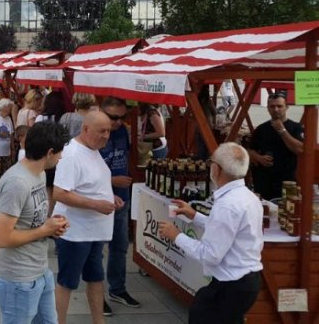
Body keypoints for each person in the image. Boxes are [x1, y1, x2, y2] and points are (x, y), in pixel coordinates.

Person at [158, 143, 263, 324]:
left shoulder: (228, 204)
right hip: (244, 281)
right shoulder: (247, 196)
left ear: (217, 169)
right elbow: (227, 231)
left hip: (232, 284)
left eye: (210, 162)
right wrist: (195, 215)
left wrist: (176, 236)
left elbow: (210, 254)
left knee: (202, 311)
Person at [0, 122, 71, 324]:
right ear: (50, 152)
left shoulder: (39, 174)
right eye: (60, 153)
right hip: (19, 279)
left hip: (40, 271)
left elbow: (30, 221)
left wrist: (50, 227)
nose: (61, 158)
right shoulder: (17, 183)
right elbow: (2, 238)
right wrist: (44, 229)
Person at [52, 111, 124, 324]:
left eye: (109, 132)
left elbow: (90, 185)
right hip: (75, 232)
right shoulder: (72, 155)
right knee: (67, 282)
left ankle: (98, 321)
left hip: (94, 231)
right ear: (85, 129)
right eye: (101, 131)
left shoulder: (92, 150)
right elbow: (60, 193)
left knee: (95, 278)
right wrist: (97, 204)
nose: (106, 136)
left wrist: (111, 197)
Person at [99, 97, 140, 315]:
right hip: (98, 202)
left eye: (122, 117)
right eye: (114, 117)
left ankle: (117, 288)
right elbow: (86, 173)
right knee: (97, 250)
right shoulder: (94, 135)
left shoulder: (124, 130)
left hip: (122, 199)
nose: (118, 122)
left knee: (120, 246)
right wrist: (111, 181)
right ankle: (97, 295)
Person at [248, 92, 304, 200]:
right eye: (272, 106)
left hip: (288, 181)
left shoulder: (296, 128)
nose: (276, 109)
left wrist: (282, 131)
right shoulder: (261, 129)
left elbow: (300, 149)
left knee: (289, 211)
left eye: (279, 106)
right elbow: (249, 150)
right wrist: (258, 158)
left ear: (287, 107)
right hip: (263, 182)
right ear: (268, 108)